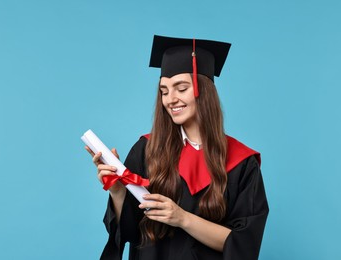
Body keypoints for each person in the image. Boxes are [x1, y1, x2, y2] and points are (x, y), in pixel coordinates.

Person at [85, 35, 269, 260]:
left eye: (181, 88)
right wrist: (117, 190)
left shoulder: (242, 162)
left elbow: (243, 244)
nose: (170, 99)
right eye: (164, 91)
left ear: (205, 91)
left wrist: (183, 218)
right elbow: (130, 231)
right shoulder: (147, 149)